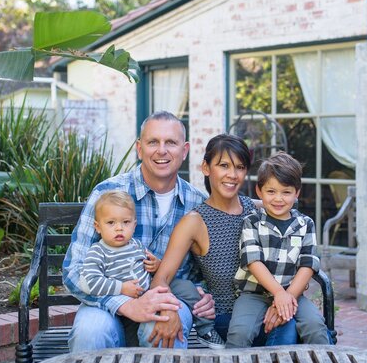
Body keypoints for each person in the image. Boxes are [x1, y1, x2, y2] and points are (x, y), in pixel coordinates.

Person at [62, 111, 213, 350]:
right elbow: (74, 270)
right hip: (110, 300)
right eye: (153, 142)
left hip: (169, 300)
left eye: (170, 143)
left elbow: (206, 274)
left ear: (184, 151)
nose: (161, 150)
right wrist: (126, 304)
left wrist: (204, 296)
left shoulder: (198, 203)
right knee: (90, 332)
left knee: (162, 328)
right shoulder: (108, 193)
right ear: (139, 149)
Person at [142, 134, 297, 348]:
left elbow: (296, 244)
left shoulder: (258, 209)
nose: (232, 175)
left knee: (294, 324)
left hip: (272, 307)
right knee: (288, 329)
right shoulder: (195, 222)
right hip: (229, 319)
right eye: (224, 165)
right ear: (206, 168)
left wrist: (281, 302)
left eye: (240, 167)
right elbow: (161, 279)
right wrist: (168, 308)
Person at [227, 152, 331, 347]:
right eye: (271, 191)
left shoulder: (305, 224)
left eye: (286, 192)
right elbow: (253, 261)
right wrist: (278, 294)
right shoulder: (252, 222)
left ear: (297, 193)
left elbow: (308, 265)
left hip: (293, 294)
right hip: (254, 295)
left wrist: (287, 296)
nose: (278, 199)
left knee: (316, 326)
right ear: (259, 191)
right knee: (240, 332)